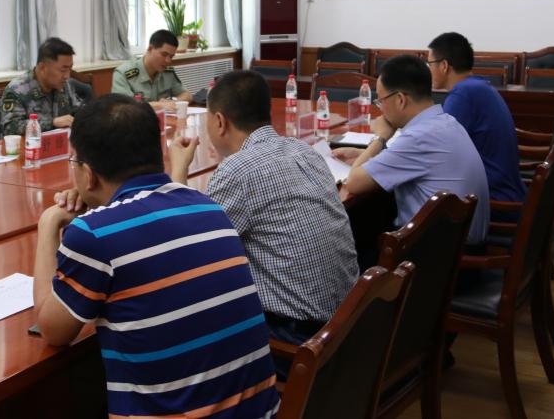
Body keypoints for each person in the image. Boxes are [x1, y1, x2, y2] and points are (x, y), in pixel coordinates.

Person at [34, 94, 279, 418]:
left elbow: (51, 331)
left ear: (89, 174)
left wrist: (48, 224)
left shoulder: (93, 235)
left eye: (73, 161)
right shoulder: (209, 207)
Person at [167, 70, 358, 380]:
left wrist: (179, 170)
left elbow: (189, 248)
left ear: (219, 121)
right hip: (347, 325)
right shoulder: (304, 150)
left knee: (183, 315)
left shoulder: (238, 170)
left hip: (296, 342)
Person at [335, 54, 490, 246]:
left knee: (357, 228)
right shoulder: (446, 122)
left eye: (381, 101)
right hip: (458, 241)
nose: (380, 109)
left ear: (400, 99)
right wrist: (364, 155)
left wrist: (380, 137)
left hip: (435, 252)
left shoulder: (418, 137)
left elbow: (353, 183)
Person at [427, 32, 525, 204]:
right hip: (506, 189)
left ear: (444, 65)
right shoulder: (478, 86)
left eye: (430, 64)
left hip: (495, 199)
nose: (429, 69)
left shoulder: (464, 94)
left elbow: (438, 149)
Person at [0, 37, 82, 135]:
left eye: (70, 69)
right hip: (29, 144)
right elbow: (10, 128)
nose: (67, 76)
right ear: (42, 67)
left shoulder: (64, 85)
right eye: (63, 70)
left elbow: (79, 111)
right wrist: (52, 123)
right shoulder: (17, 89)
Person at [111, 29, 191, 107]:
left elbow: (187, 95)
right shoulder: (123, 73)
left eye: (171, 56)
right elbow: (124, 106)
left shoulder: (167, 72)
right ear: (150, 48)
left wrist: (174, 102)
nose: (168, 61)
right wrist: (160, 105)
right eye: (164, 54)